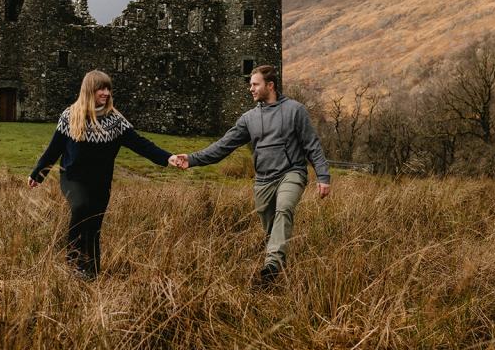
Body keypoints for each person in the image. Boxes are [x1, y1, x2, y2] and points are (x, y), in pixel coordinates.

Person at [171, 65, 330, 286]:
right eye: (250, 85)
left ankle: (271, 266)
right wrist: (193, 159)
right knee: (270, 228)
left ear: (270, 85)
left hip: (292, 172)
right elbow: (223, 147)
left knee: (284, 209)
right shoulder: (249, 119)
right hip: (263, 180)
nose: (251, 89)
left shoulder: (295, 110)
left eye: (255, 84)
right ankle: (276, 271)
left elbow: (312, 145)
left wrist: (323, 176)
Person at [29, 69, 178, 279]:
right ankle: (74, 263)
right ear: (89, 90)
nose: (106, 92)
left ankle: (92, 271)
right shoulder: (70, 116)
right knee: (81, 209)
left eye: (108, 88)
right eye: (101, 88)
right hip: (72, 177)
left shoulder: (115, 120)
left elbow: (140, 144)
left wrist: (168, 157)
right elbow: (54, 149)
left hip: (100, 182)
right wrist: (37, 175)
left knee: (94, 224)